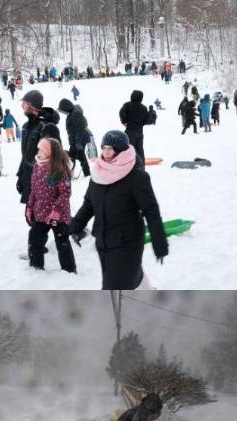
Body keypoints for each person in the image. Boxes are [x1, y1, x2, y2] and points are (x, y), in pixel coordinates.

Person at [69, 130, 168, 289]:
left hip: (127, 243)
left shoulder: (137, 177)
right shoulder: (98, 174)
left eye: (111, 148)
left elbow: (151, 211)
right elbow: (88, 205)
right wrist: (74, 227)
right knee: (127, 278)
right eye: (104, 148)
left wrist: (159, 242)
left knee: (113, 287)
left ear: (121, 150)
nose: (106, 153)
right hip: (103, 241)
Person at [25, 138, 76, 273]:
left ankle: (69, 271)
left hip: (57, 216)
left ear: (49, 153)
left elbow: (65, 193)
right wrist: (29, 207)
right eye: (39, 149)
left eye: (42, 150)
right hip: (40, 213)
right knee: (34, 239)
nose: (39, 152)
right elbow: (33, 190)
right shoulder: (37, 166)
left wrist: (56, 211)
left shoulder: (59, 169)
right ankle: (36, 267)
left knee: (62, 243)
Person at [17, 90, 61, 204]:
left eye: (24, 103)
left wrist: (51, 186)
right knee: (31, 218)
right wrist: (21, 176)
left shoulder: (46, 127)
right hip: (29, 180)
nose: (22, 106)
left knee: (41, 220)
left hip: (44, 185)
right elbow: (26, 155)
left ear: (31, 105)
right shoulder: (26, 127)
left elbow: (57, 159)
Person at [57, 98, 91, 177]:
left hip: (78, 141)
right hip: (76, 141)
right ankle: (86, 173)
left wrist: (78, 141)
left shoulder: (75, 114)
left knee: (73, 156)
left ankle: (71, 174)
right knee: (78, 157)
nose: (62, 112)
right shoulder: (72, 113)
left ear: (66, 107)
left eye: (62, 110)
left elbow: (80, 128)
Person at [119, 90, 150, 161]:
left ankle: (130, 168)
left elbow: (121, 113)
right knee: (140, 150)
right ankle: (141, 168)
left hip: (130, 130)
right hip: (140, 132)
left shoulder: (127, 105)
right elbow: (146, 120)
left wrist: (124, 121)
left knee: (129, 150)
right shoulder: (144, 108)